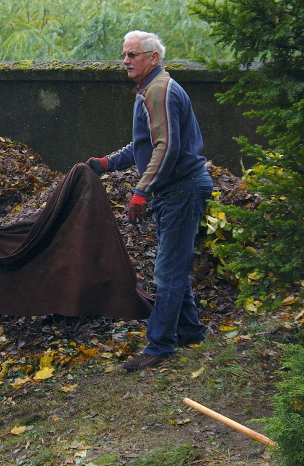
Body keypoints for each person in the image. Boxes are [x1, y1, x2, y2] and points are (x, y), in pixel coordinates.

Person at [86, 31, 213, 371]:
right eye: (124, 54)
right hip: (176, 189)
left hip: (181, 189)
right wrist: (106, 164)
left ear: (154, 58)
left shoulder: (159, 91)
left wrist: (141, 190)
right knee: (174, 264)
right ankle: (191, 334)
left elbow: (167, 148)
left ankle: (159, 346)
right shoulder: (149, 90)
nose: (125, 61)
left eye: (133, 55)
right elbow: (143, 145)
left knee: (167, 270)